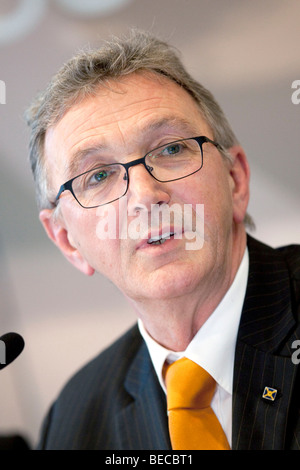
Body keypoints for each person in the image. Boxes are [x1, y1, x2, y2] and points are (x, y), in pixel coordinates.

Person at [25, 30, 300, 450]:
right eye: (98, 176)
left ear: (236, 180)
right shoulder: (76, 420)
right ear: (67, 241)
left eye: (170, 149)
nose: (145, 195)